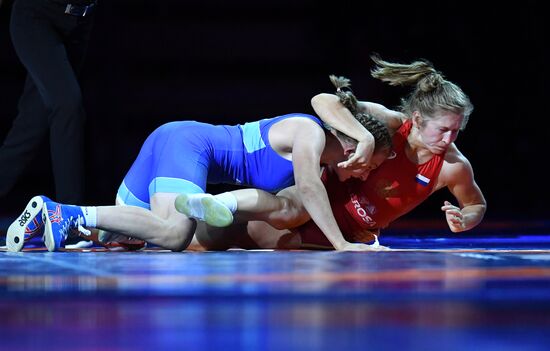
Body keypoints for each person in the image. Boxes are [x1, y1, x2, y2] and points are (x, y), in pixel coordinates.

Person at [8, 75, 392, 252]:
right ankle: (62, 211)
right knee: (174, 234)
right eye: (368, 164)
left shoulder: (320, 154)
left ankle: (51, 224)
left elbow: (285, 210)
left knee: (126, 238)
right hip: (188, 143)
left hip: (172, 140)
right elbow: (308, 190)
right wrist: (342, 245)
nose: (366, 173)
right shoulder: (311, 136)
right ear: (352, 146)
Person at [182, 55, 487, 251]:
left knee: (225, 240)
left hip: (351, 236)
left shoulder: (453, 166)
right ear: (418, 119)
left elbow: (475, 203)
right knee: (236, 227)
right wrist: (365, 137)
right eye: (443, 130)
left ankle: (163, 229)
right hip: (312, 201)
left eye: (456, 131)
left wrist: (466, 218)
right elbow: (324, 100)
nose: (449, 139)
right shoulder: (392, 124)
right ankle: (167, 223)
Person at [0, 0, 97, 248]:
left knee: (30, 126)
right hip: (36, 16)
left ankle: (69, 217)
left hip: (79, 22)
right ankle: (69, 218)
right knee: (67, 105)